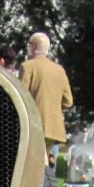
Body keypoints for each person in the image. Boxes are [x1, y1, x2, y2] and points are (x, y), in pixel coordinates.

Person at [20, 32, 73, 167]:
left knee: (38, 165)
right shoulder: (59, 70)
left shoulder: (27, 67)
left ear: (33, 47)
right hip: (54, 126)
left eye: (28, 45)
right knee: (43, 159)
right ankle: (46, 185)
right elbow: (68, 101)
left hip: (34, 125)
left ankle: (44, 186)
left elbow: (20, 95)